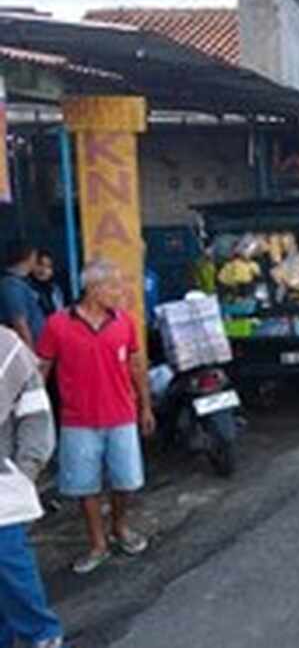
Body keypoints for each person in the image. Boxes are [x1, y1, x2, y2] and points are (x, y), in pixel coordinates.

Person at [36, 259, 155, 575]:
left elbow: (136, 366)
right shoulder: (57, 325)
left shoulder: (124, 322)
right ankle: (97, 543)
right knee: (85, 487)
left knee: (126, 481)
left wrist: (145, 406)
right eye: (114, 285)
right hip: (78, 421)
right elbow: (42, 370)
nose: (120, 292)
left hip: (121, 416)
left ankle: (120, 526)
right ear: (93, 288)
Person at [0, 326, 65, 648]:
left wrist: (25, 471)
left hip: (2, 488)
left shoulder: (7, 347)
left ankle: (43, 636)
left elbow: (36, 415)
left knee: (10, 567)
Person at [0, 243, 46, 351]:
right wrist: (31, 356)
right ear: (30, 257)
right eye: (35, 256)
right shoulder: (11, 285)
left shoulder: (23, 283)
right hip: (27, 353)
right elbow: (20, 324)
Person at [29, 251, 65, 319]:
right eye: (40, 264)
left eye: (48, 267)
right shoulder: (26, 288)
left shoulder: (56, 290)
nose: (43, 270)